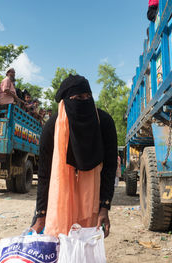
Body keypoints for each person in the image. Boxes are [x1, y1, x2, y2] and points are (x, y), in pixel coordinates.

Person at [31, 74, 117, 238]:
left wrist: (104, 207)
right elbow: (44, 173)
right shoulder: (52, 128)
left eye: (88, 97)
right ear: (65, 102)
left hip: (90, 202)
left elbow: (110, 166)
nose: (84, 101)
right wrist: (41, 214)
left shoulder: (104, 122)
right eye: (78, 97)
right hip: (59, 202)